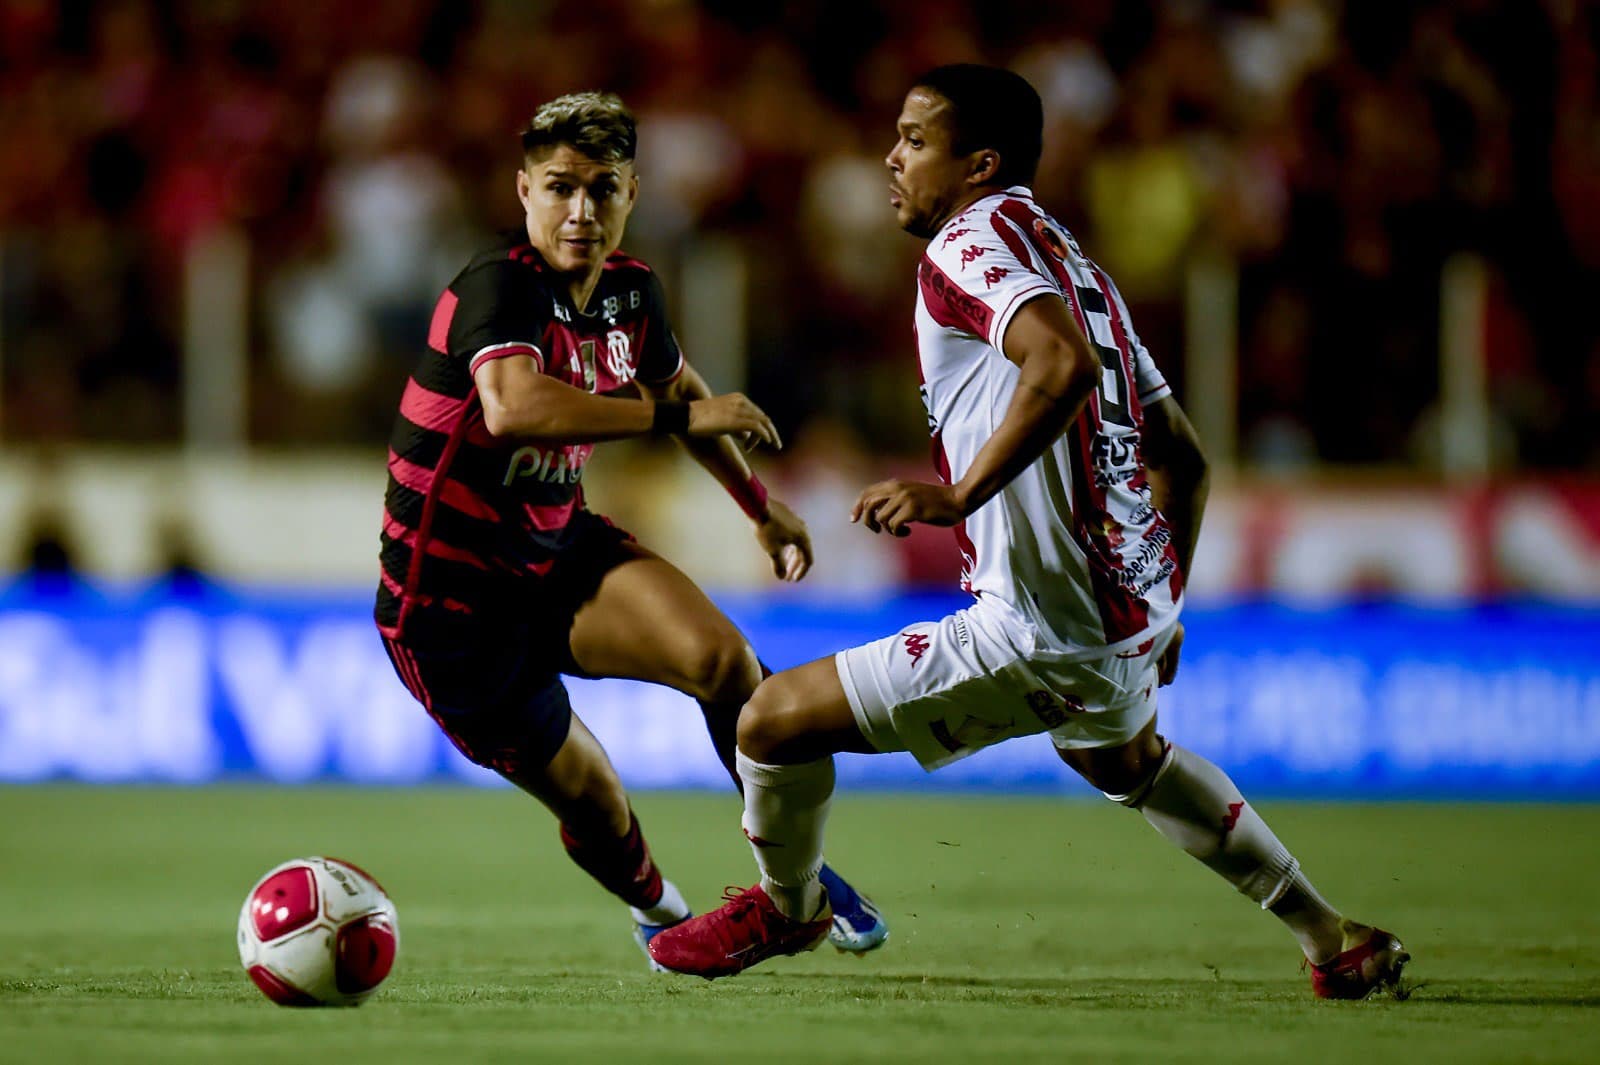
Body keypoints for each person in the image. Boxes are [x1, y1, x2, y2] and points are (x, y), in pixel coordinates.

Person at [648, 66, 1408, 1000]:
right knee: (1122, 759)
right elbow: (1186, 456)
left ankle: (789, 904)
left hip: (1036, 624)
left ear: (980, 165)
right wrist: (1160, 603)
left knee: (767, 725)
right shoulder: (1077, 265)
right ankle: (1331, 937)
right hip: (1115, 609)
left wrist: (957, 495)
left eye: (917, 140)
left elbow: (1061, 362)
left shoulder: (968, 245)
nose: (892, 157)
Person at [374, 92, 886, 968]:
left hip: (557, 553)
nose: (581, 212)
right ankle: (661, 908)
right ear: (524, 190)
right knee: (594, 797)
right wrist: (674, 420)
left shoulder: (630, 294)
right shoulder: (495, 287)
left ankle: (793, 886)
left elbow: (686, 394)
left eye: (602, 189)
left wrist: (760, 507)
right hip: (451, 611)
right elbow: (513, 407)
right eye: (561, 188)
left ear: (632, 193)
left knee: (726, 663)